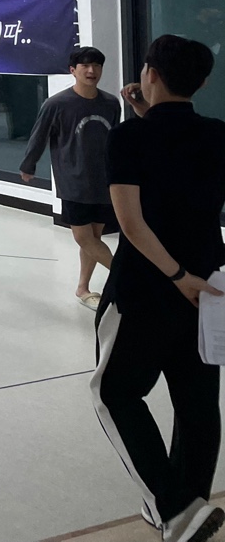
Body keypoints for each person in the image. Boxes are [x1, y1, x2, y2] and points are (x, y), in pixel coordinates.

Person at [91, 35, 225, 542]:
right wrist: (194, 276)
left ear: (149, 74)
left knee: (114, 392)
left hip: (145, 288)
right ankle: (191, 507)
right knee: (197, 400)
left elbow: (132, 223)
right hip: (208, 285)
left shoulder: (129, 137)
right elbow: (183, 165)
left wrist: (175, 275)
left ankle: (174, 510)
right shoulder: (218, 134)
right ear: (203, 82)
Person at [20, 45, 122, 309]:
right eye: (85, 66)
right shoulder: (57, 104)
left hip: (104, 181)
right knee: (84, 238)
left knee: (95, 236)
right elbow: (39, 135)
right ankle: (126, 277)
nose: (91, 71)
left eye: (96, 66)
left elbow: (115, 140)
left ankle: (83, 288)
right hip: (73, 181)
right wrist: (29, 164)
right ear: (73, 71)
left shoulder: (111, 103)